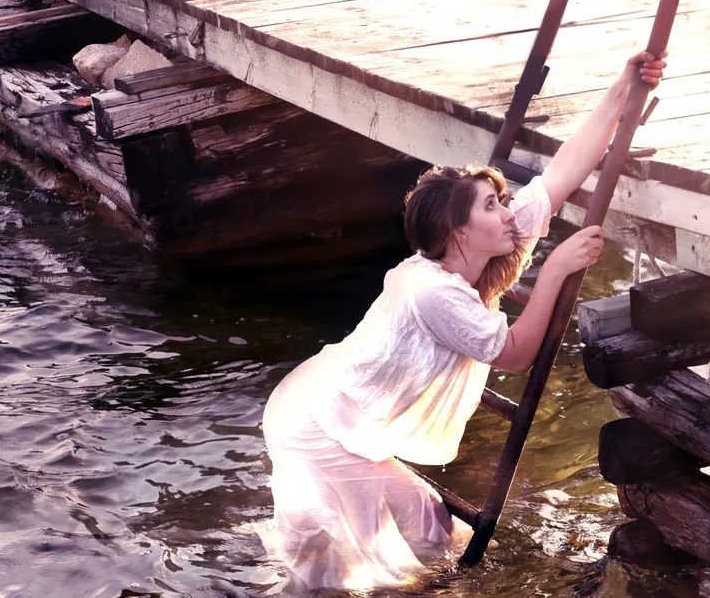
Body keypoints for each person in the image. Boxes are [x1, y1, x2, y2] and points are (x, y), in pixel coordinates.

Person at [260, 50, 667, 591]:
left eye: (499, 202)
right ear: (459, 232)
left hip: (332, 405)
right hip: (319, 425)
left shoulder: (480, 242)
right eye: (490, 205)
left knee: (430, 530)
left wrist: (620, 90)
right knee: (343, 566)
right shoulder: (434, 293)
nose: (506, 212)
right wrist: (556, 270)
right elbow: (517, 356)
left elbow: (561, 175)